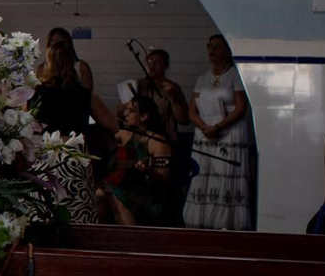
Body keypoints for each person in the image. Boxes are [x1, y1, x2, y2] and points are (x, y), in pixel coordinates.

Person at [30, 35, 117, 224]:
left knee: (42, 211)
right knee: (76, 213)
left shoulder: (35, 93)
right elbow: (113, 125)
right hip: (74, 156)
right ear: (72, 63)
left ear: (48, 62)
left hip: (44, 155)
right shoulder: (85, 95)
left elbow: (25, 124)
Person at [184, 33, 257, 230]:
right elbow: (191, 110)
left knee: (225, 175)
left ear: (227, 51)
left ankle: (226, 222)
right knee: (204, 176)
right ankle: (202, 220)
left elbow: (241, 108)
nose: (212, 50)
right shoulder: (203, 77)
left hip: (228, 132)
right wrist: (203, 126)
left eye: (216, 46)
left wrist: (218, 127)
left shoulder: (234, 75)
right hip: (205, 133)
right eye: (209, 46)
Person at [100, 96, 179, 227]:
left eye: (129, 111)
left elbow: (162, 180)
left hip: (146, 194)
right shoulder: (123, 133)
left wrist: (149, 171)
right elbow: (104, 145)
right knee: (98, 193)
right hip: (123, 185)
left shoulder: (157, 141)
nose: (125, 114)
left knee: (111, 195)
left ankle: (132, 241)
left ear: (143, 117)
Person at [44, 28, 95, 93]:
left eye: (59, 40)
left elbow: (89, 95)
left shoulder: (81, 67)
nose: (55, 44)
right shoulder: (42, 68)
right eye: (52, 41)